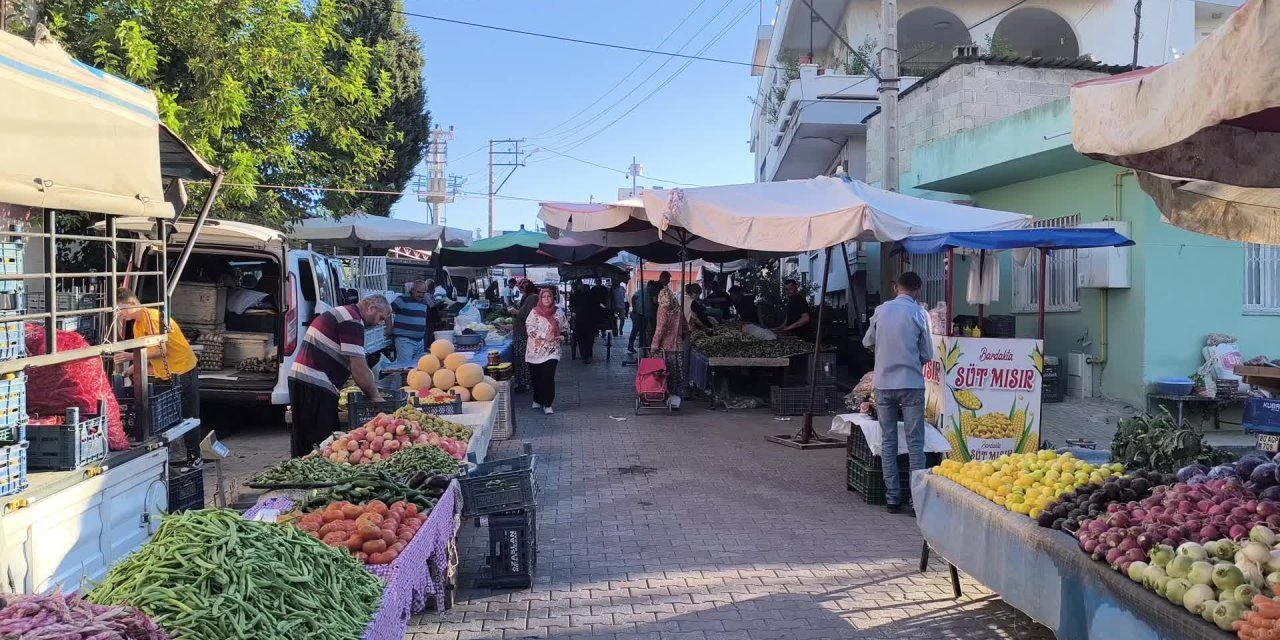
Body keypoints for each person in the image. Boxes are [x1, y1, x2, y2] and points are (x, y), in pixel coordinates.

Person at [862, 272, 933, 515]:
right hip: (911, 383)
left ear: (896, 288)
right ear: (918, 289)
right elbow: (928, 353)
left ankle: (892, 498)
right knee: (915, 442)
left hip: (883, 384)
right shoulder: (920, 313)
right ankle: (916, 501)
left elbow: (867, 341)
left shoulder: (881, 311)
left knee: (888, 440)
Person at [288, 295, 390, 457]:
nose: (380, 323)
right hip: (315, 383)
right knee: (321, 444)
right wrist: (375, 397)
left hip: (304, 379)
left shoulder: (345, 313)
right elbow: (358, 366)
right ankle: (312, 471)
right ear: (371, 308)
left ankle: (300, 469)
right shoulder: (352, 321)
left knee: (305, 441)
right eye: (381, 318)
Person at [113, 287, 202, 457]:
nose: (120, 314)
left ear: (132, 303)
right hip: (165, 374)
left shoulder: (153, 318)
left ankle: (193, 456)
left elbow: (159, 350)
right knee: (165, 417)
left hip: (182, 369)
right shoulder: (137, 325)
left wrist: (130, 356)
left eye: (121, 309)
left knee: (188, 415)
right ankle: (170, 455)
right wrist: (129, 370)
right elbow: (145, 353)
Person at [525, 286, 566, 415]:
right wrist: (543, 336)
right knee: (536, 376)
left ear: (553, 298)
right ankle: (537, 399)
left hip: (552, 350)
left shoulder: (559, 312)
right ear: (540, 299)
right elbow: (529, 328)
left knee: (548, 376)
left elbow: (564, 327)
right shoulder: (534, 312)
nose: (547, 299)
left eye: (549, 296)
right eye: (544, 297)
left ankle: (548, 403)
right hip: (535, 351)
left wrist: (563, 336)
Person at [650, 274, 684, 402]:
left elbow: (661, 327)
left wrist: (654, 345)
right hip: (678, 346)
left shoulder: (663, 309)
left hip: (665, 347)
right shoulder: (677, 308)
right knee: (677, 374)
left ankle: (666, 397)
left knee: (666, 373)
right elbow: (685, 326)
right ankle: (676, 399)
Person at [388, 280, 432, 363]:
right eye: (419, 292)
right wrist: (389, 327)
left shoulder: (424, 301)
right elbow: (387, 311)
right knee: (405, 367)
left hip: (419, 341)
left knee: (418, 366)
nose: (421, 295)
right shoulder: (402, 299)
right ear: (412, 290)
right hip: (404, 340)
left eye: (423, 293)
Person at [511, 279, 538, 394]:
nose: (520, 291)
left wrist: (516, 312)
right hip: (520, 332)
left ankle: (526, 383)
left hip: (524, 334)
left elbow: (529, 316)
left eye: (521, 289)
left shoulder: (533, 298)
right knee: (520, 359)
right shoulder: (527, 297)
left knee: (524, 360)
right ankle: (523, 383)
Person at [628, 281, 649, 354]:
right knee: (636, 330)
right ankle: (632, 346)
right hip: (637, 314)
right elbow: (633, 298)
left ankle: (641, 346)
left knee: (641, 331)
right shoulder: (643, 291)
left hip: (642, 314)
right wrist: (634, 309)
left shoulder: (644, 291)